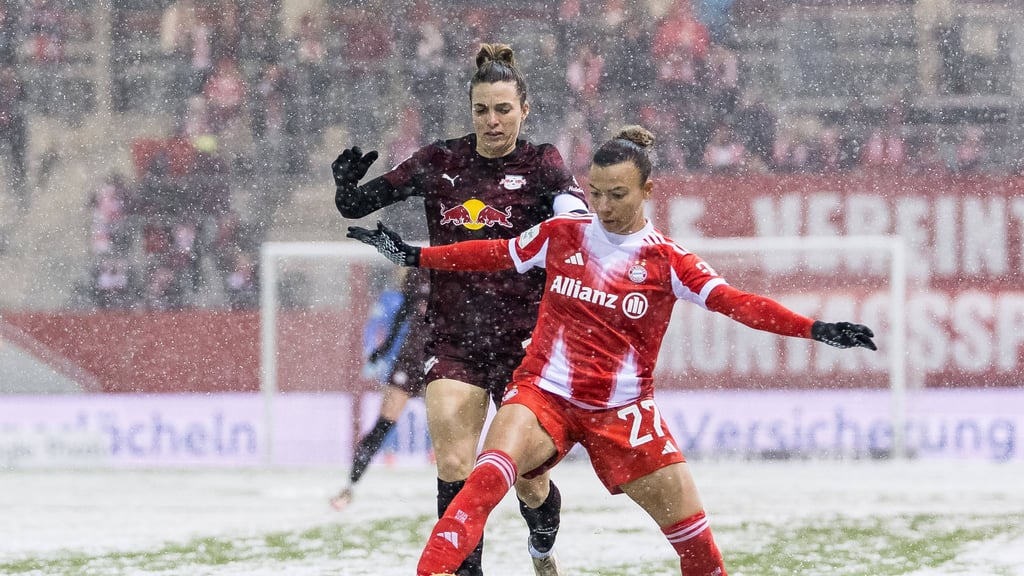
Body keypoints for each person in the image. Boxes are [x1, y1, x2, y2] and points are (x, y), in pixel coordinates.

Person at [347, 125, 877, 576]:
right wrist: (418, 256)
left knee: (700, 553)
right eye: (596, 192)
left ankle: (545, 541)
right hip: (542, 398)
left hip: (623, 415)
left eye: (617, 195)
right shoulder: (563, 234)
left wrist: (815, 328)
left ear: (647, 190)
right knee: (480, 485)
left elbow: (737, 303)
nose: (602, 206)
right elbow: (495, 254)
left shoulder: (668, 261)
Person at [332, 43, 588, 576]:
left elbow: (575, 212)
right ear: (469, 111)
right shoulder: (439, 161)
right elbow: (359, 205)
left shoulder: (543, 163)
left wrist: (575, 211)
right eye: (480, 110)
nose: (491, 121)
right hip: (453, 340)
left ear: (524, 109)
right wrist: (344, 190)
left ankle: (541, 548)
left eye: (502, 109)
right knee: (453, 463)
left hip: (524, 345)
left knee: (530, 480)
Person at [330, 266, 431, 511]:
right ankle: (350, 486)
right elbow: (400, 318)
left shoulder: (452, 273)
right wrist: (381, 352)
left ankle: (466, 490)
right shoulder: (416, 278)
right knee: (383, 424)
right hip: (410, 359)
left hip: (439, 360)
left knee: (453, 427)